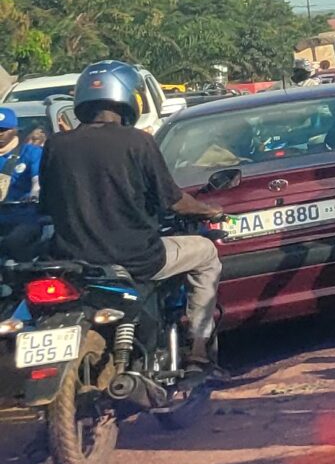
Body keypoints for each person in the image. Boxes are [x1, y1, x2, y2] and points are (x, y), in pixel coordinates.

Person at [40, 63, 230, 367]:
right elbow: (173, 201)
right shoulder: (138, 141)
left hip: (76, 263)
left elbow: (47, 206)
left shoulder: (55, 144)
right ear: (128, 98)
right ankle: (198, 348)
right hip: (137, 258)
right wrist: (210, 210)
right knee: (206, 252)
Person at [0, 107, 43, 203]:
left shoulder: (31, 152)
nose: (0, 134)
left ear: (15, 130)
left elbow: (37, 180)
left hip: (20, 208)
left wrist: (34, 194)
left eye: (4, 129)